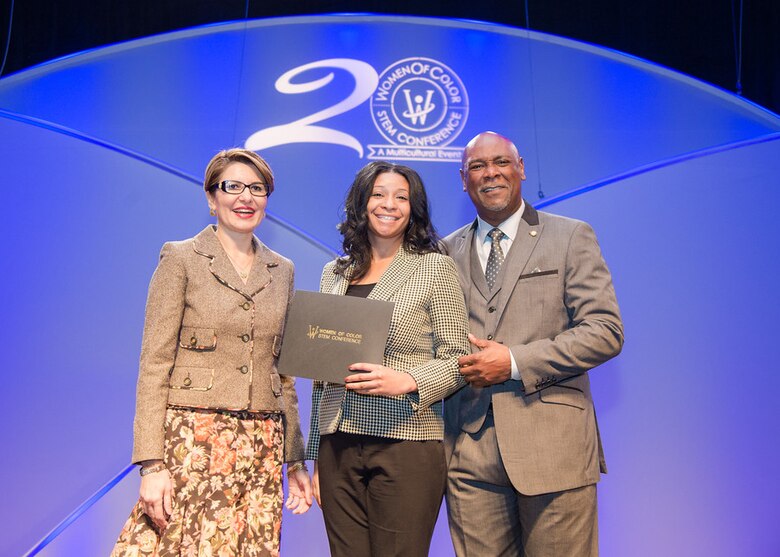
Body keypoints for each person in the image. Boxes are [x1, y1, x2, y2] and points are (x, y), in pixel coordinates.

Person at [112, 148, 312, 557]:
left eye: (257, 189)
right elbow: (154, 365)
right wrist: (151, 465)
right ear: (211, 198)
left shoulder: (283, 270)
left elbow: (284, 372)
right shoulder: (181, 258)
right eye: (233, 186)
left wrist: (295, 460)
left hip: (261, 445)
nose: (246, 197)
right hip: (195, 440)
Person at [442, 132, 624, 556]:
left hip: (553, 449)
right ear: (463, 179)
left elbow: (604, 330)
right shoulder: (443, 252)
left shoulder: (571, 236)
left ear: (521, 168)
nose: (490, 174)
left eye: (501, 163)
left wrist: (514, 362)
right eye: (477, 167)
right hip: (469, 456)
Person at [306, 161, 469, 557]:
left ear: (414, 209)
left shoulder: (435, 267)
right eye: (379, 194)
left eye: (401, 197)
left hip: (406, 441)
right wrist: (314, 454)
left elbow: (458, 358)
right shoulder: (334, 273)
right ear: (362, 203)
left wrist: (408, 380)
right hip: (337, 445)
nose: (389, 205)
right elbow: (320, 368)